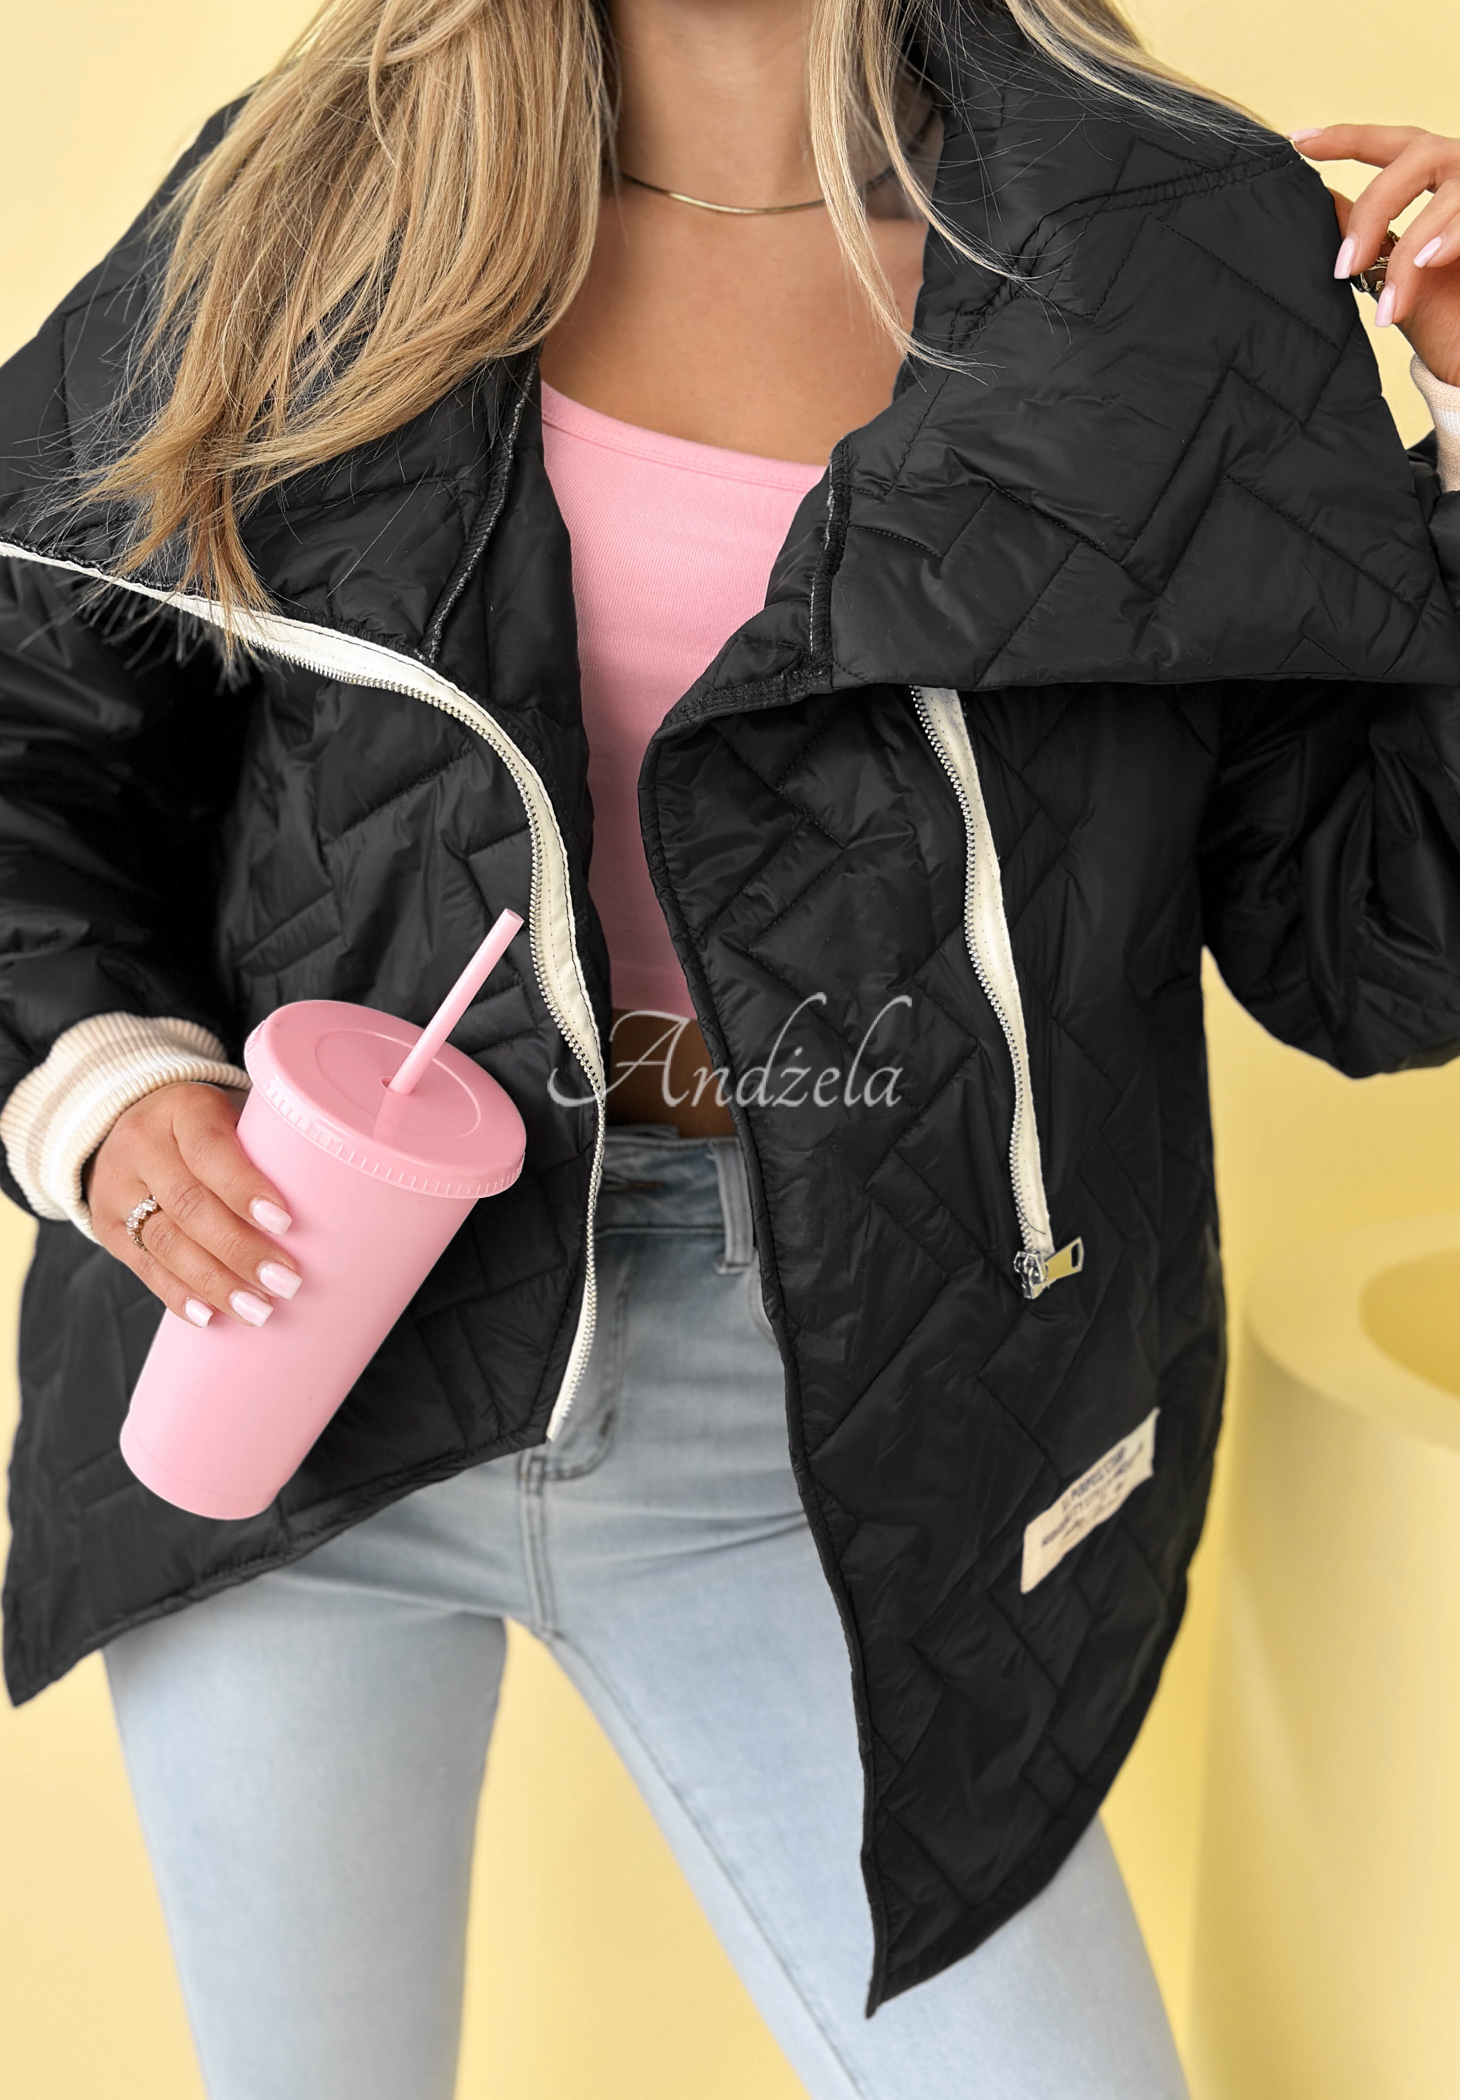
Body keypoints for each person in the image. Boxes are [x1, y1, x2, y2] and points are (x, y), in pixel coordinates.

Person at [0, 0, 1457, 2092]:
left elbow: (1376, 950)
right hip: (292, 1344)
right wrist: (108, 1082)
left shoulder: (1166, 238)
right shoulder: (316, 200)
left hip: (837, 1403)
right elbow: (30, 710)